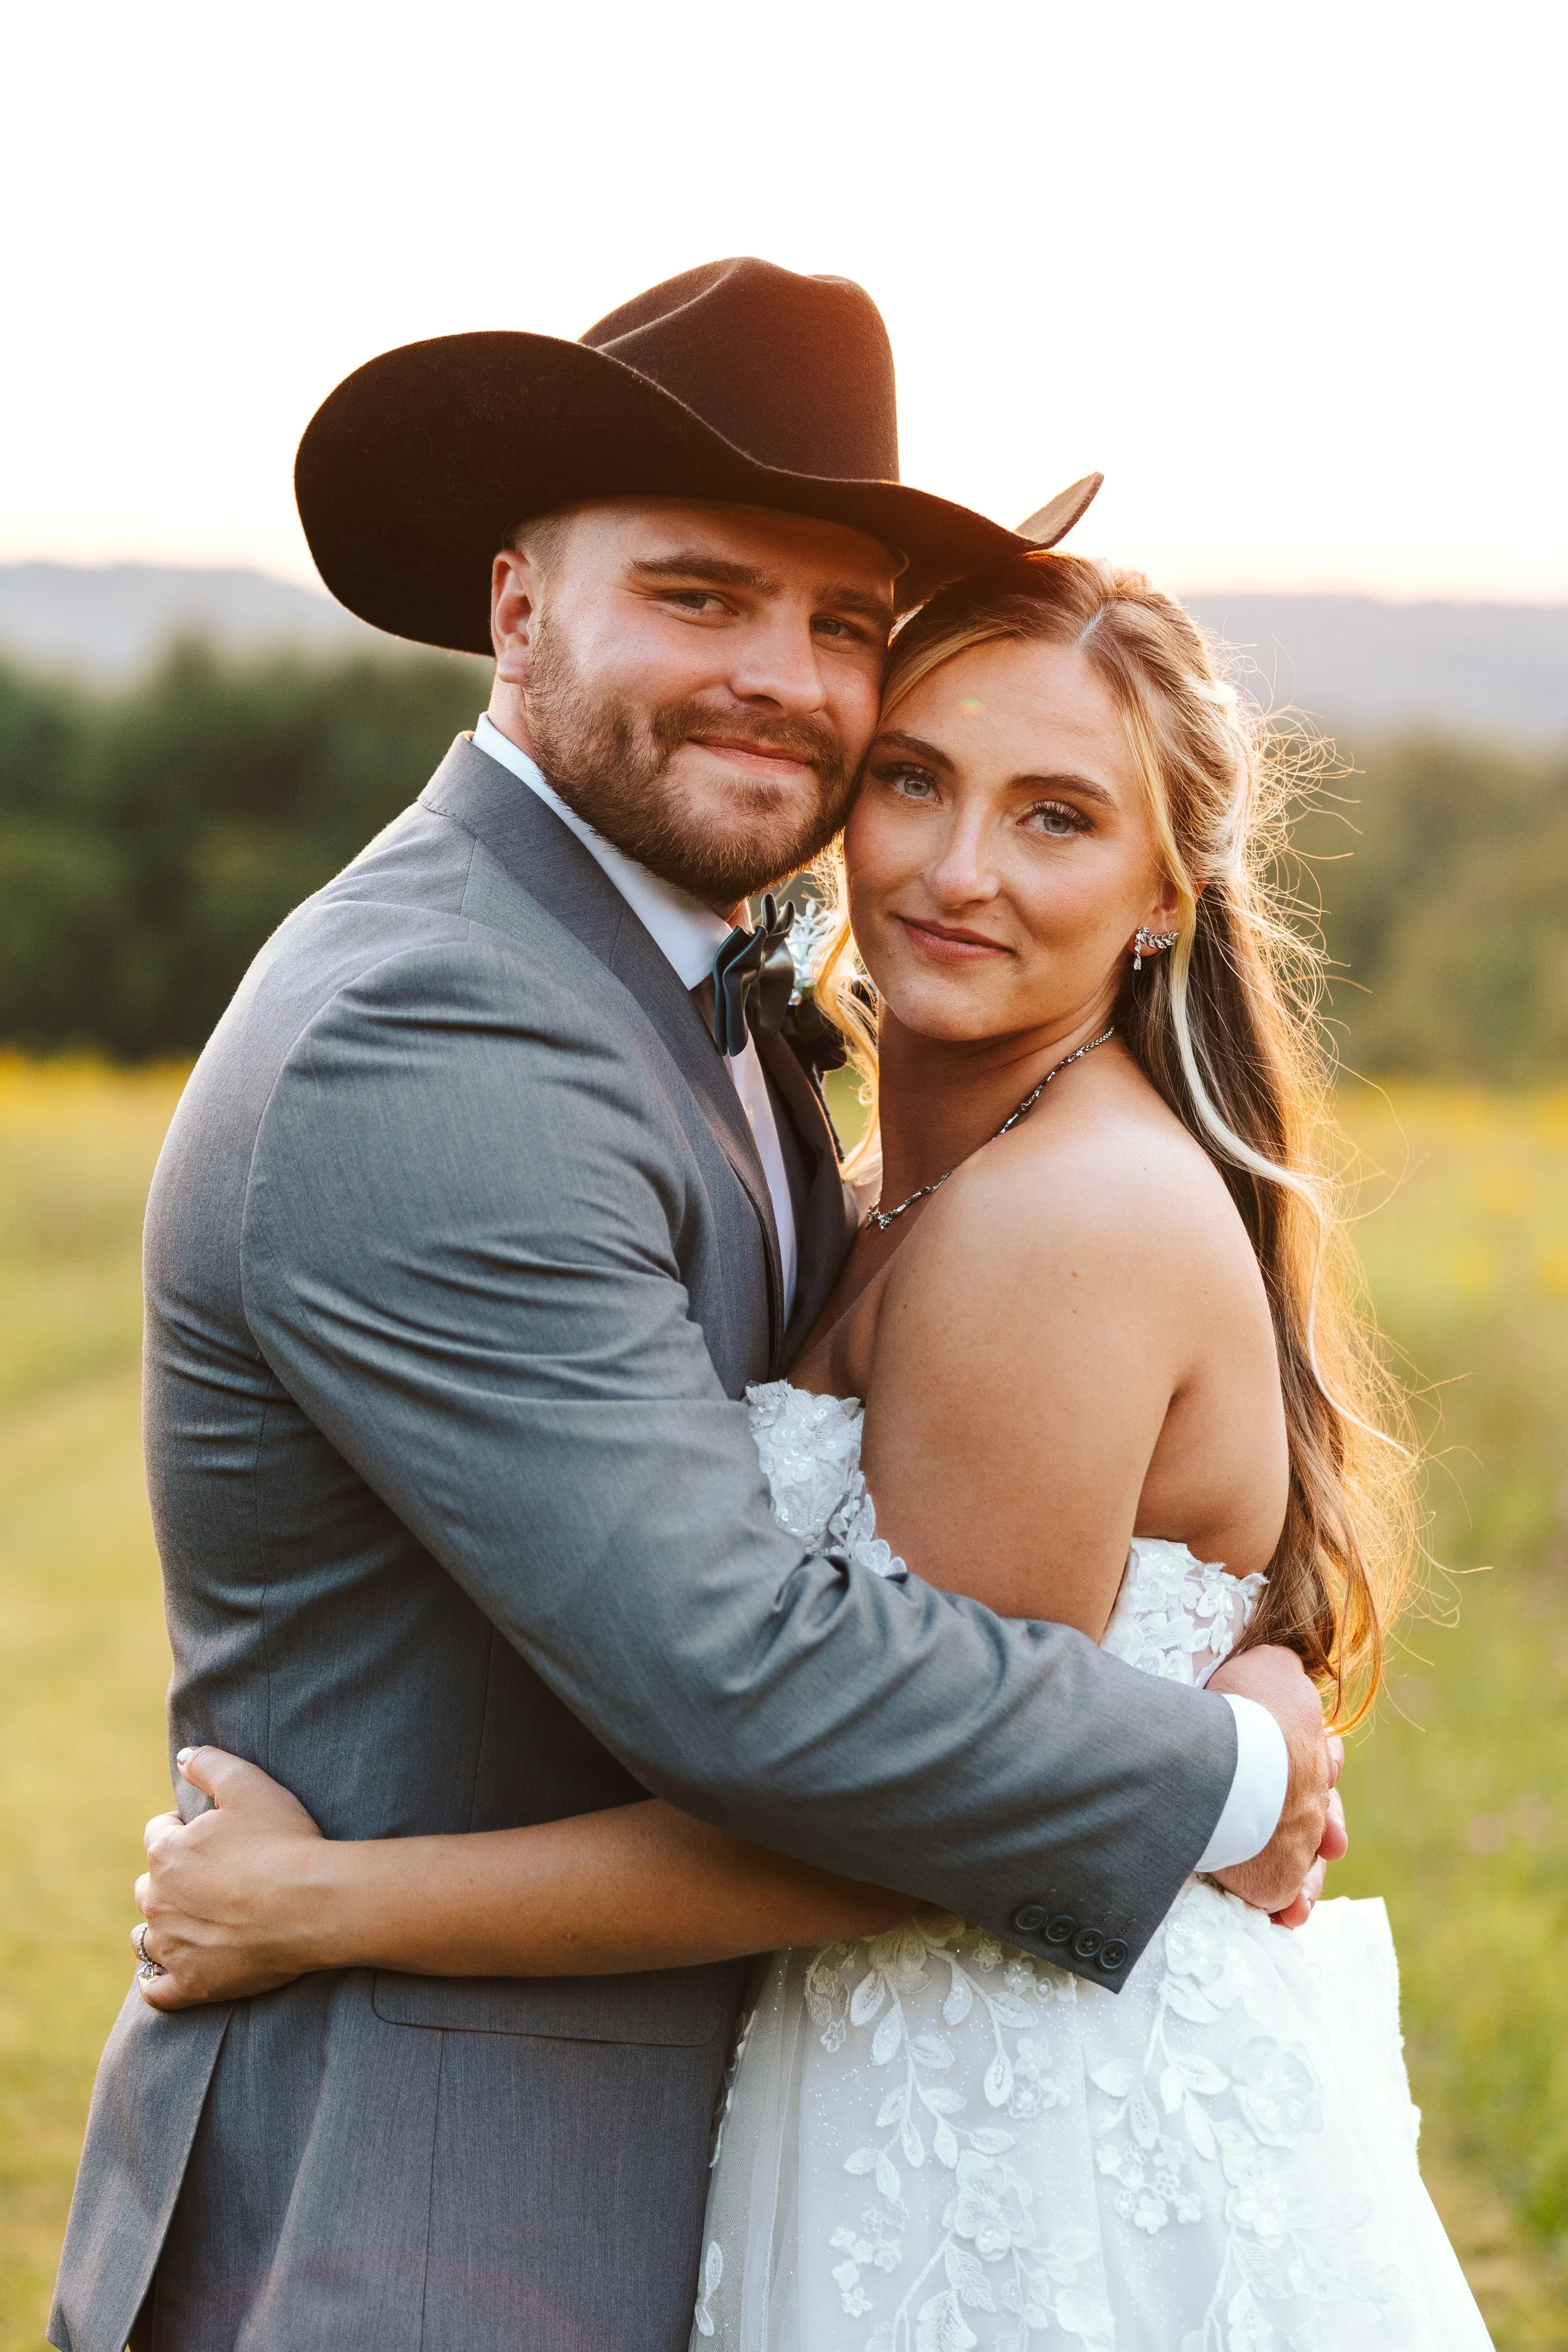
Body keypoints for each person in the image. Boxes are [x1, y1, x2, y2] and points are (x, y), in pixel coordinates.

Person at [50, 260, 1337, 2352]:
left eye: (840, 624)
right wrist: (1217, 1768)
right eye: (700, 595)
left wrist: (1231, 1683)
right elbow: (746, 1675)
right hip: (433, 2202)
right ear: (516, 608)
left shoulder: (702, 991)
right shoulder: (444, 1023)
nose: (783, 681)